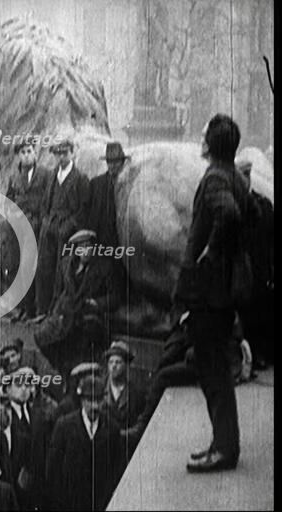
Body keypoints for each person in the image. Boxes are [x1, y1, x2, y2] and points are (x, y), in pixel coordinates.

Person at [174, 113, 249, 473]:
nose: (200, 136)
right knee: (215, 368)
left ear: (212, 142)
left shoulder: (217, 177)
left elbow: (230, 215)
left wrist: (211, 252)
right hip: (220, 292)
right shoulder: (234, 175)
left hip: (209, 294)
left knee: (213, 370)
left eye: (204, 132)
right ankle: (223, 444)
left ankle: (224, 449)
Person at [35, 229, 122, 377]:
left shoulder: (104, 267)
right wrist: (51, 314)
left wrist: (96, 303)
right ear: (75, 249)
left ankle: (76, 374)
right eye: (81, 247)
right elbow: (57, 292)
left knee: (82, 342)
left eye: (89, 247)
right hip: (64, 313)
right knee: (41, 336)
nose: (86, 251)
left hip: (88, 315)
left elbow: (115, 298)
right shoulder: (65, 264)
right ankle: (64, 369)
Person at [33, 135, 90, 318]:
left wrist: (69, 226)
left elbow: (83, 209)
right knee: (44, 267)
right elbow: (44, 203)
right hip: (49, 226)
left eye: (64, 153)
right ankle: (42, 310)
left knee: (61, 270)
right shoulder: (51, 176)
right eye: (57, 154)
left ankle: (56, 312)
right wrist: (45, 221)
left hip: (67, 230)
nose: (61, 157)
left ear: (72, 153)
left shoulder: (81, 179)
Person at [46, 375, 122, 511]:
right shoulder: (64, 426)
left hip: (101, 504)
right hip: (69, 504)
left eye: (99, 400)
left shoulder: (112, 429)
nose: (95, 406)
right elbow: (53, 471)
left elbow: (117, 470)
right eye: (90, 400)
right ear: (81, 401)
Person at [5, 137, 51, 321]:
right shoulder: (14, 177)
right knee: (16, 266)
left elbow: (48, 200)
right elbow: (8, 200)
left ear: (35, 153)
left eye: (29, 151)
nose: (26, 156)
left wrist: (40, 219)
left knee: (32, 267)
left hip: (36, 226)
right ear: (18, 156)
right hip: (18, 227)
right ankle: (22, 308)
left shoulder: (45, 174)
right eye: (23, 152)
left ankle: (36, 309)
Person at [235, 158, 274, 368]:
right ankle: (250, 356)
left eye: (248, 175)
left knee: (262, 309)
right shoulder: (231, 205)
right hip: (241, 271)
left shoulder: (263, 205)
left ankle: (261, 354)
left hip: (260, 269)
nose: (246, 180)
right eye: (242, 175)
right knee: (245, 313)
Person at [87, 141, 129, 250]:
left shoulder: (129, 185)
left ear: (123, 162)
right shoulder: (95, 184)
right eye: (110, 161)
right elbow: (88, 213)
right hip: (101, 242)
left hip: (123, 242)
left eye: (116, 161)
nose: (113, 165)